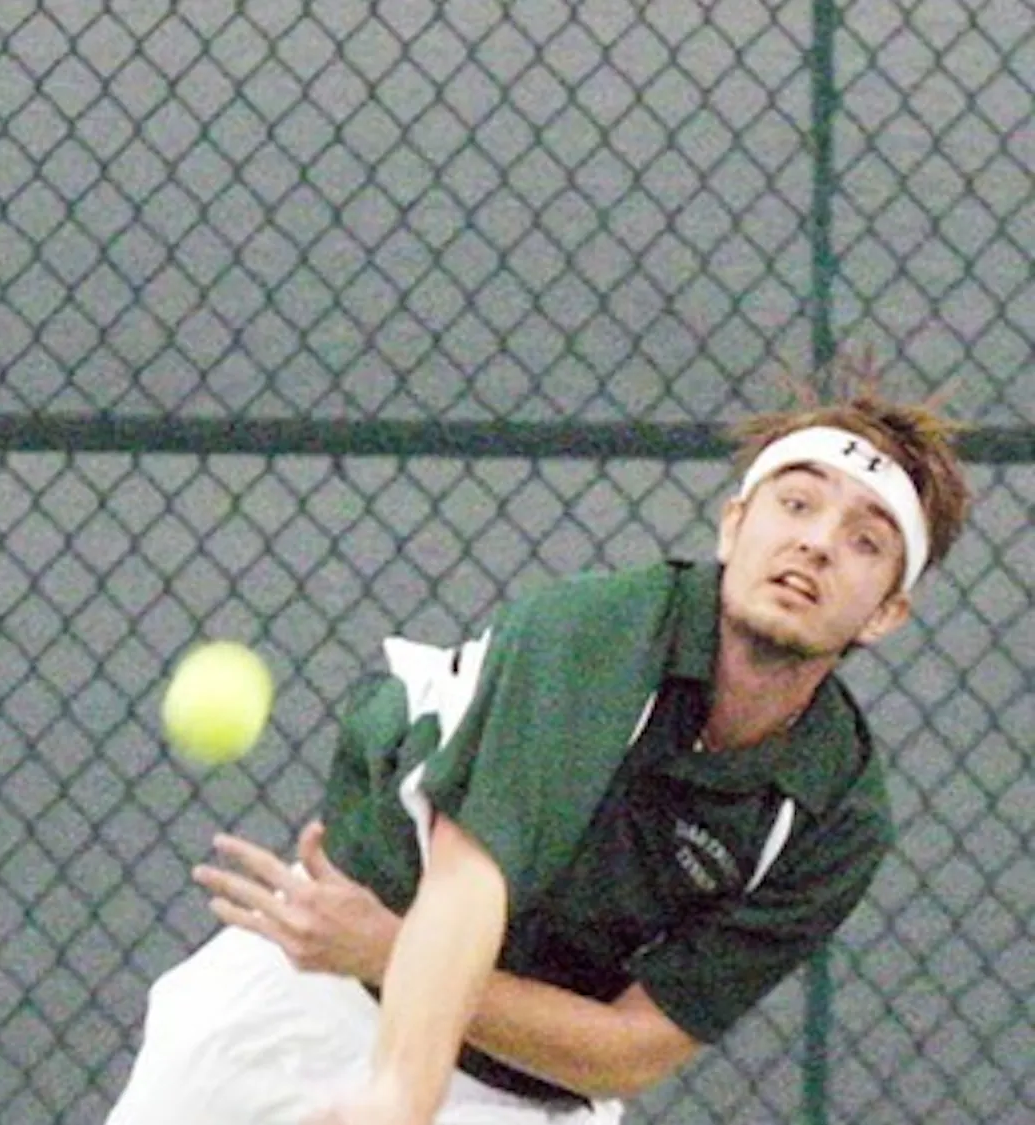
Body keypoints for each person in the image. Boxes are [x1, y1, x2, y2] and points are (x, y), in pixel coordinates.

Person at [104, 364, 973, 1125]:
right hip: (308, 993)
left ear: (888, 611)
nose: (816, 542)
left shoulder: (834, 814)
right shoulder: (598, 632)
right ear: (733, 524)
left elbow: (633, 1046)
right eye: (795, 502)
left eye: (865, 540)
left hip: (518, 1091)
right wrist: (400, 1091)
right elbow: (470, 874)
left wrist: (388, 951)